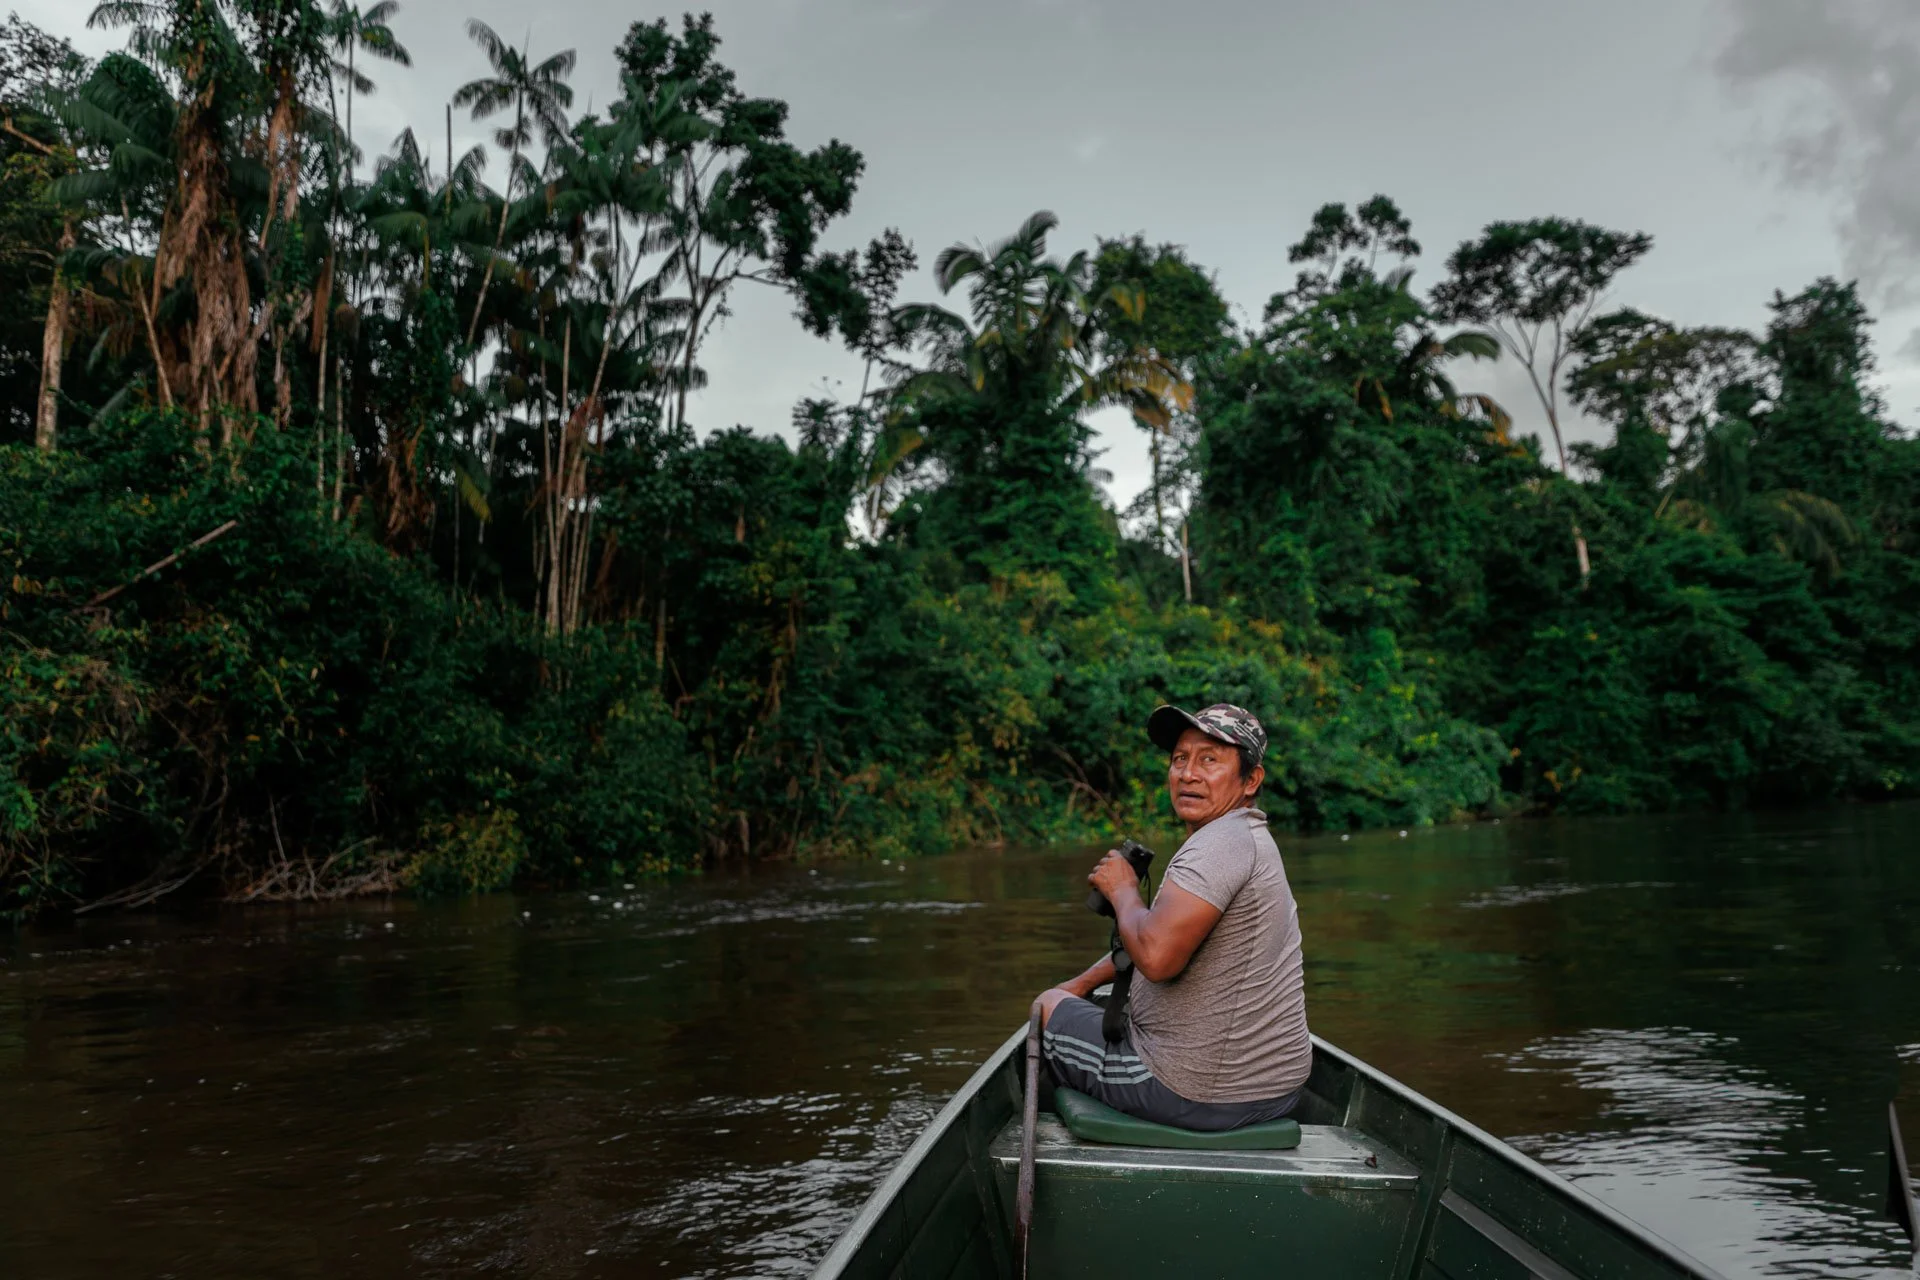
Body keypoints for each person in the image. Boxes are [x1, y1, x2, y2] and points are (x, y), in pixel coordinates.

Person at [1033, 702, 1310, 1131]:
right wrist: (1084, 983)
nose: (1188, 773)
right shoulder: (1245, 835)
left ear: (1251, 779)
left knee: (1047, 1009)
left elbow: (1158, 958)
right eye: (1180, 758)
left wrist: (1124, 890)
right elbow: (1158, 934)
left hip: (1198, 1092)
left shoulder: (1217, 846)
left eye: (1210, 760)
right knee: (1082, 999)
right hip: (1276, 1088)